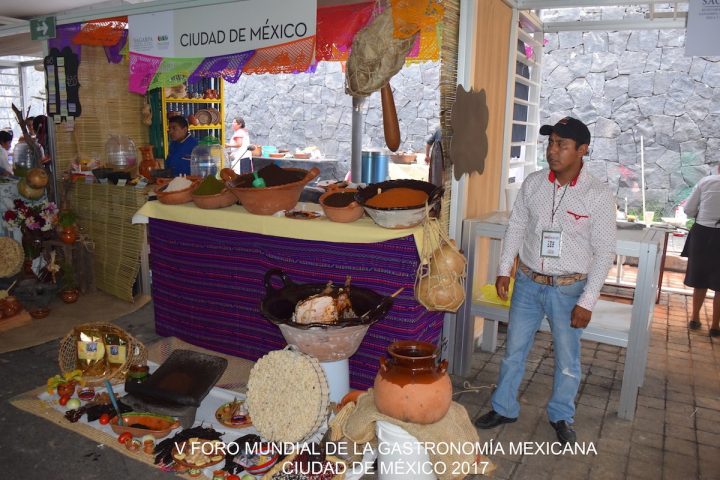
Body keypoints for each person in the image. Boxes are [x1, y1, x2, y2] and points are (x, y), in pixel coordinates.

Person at [474, 117, 616, 446]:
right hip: (527, 282)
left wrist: (587, 301)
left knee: (568, 359)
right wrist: (503, 268)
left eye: (561, 145)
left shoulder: (597, 195)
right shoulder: (535, 184)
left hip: (569, 288)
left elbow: (606, 251)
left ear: (582, 150)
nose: (552, 151)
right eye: (550, 143)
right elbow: (517, 227)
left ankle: (561, 415)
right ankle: (504, 407)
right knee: (514, 352)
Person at [681, 165, 720, 337]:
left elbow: (688, 210)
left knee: (700, 277)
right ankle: (715, 326)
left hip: (703, 233)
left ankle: (695, 318)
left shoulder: (706, 182)